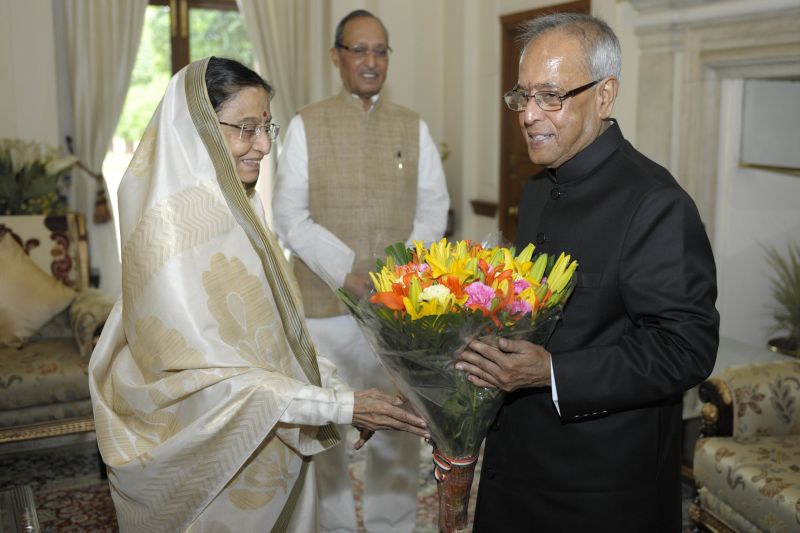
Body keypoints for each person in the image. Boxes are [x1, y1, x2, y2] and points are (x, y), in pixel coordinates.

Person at [88, 56, 429, 533]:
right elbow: (213, 387)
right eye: (247, 128)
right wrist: (344, 407)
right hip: (208, 466)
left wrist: (341, 394)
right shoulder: (170, 232)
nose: (264, 146)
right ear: (198, 128)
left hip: (266, 439)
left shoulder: (238, 206)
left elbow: (280, 339)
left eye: (268, 127)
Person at [455, 13, 719, 532]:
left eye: (550, 96)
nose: (529, 115)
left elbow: (688, 348)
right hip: (516, 466)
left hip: (599, 489)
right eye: (522, 96)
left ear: (604, 95)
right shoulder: (536, 189)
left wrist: (551, 372)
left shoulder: (656, 202)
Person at [272, 9, 450, 533]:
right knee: (326, 426)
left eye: (380, 51)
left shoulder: (412, 125)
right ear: (337, 57)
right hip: (324, 308)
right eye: (359, 50)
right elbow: (289, 216)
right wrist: (349, 273)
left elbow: (434, 209)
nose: (371, 62)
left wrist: (394, 276)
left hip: (396, 312)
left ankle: (392, 524)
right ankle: (333, 526)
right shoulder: (306, 123)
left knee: (399, 422)